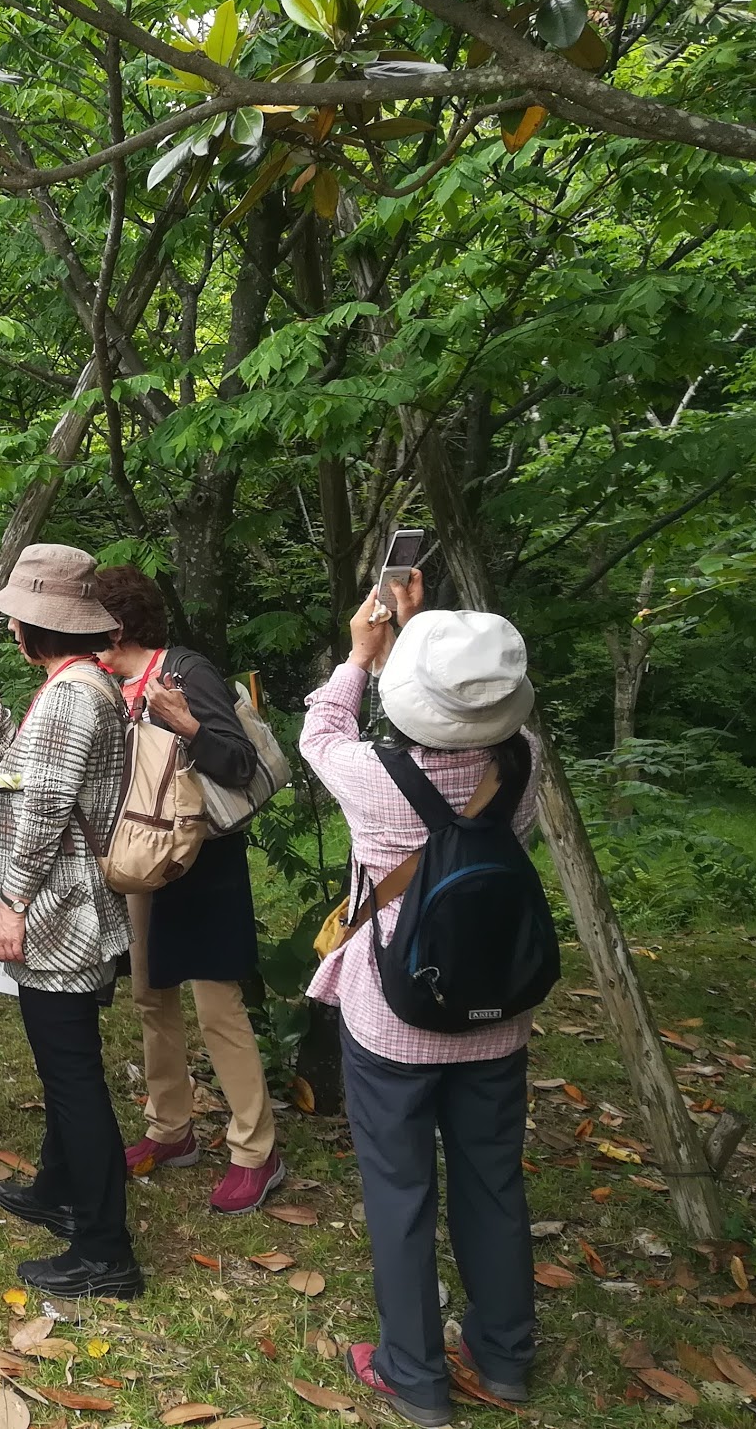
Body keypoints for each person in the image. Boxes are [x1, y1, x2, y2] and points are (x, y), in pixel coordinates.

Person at [301, 571, 542, 1429]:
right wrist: (416, 648)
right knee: (494, 1179)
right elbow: (476, 719)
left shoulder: (372, 777)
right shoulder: (522, 764)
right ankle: (505, 1355)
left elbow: (320, 729)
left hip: (394, 1014)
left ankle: (413, 1372)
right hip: (497, 1011)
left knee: (401, 1191)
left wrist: (363, 655)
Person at [0, 545, 142, 1300]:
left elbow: (48, 809)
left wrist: (12, 903)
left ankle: (105, 1250)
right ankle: (59, 1190)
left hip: (59, 910)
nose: (10, 629)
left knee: (73, 1078)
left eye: (16, 619)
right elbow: (42, 778)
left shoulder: (70, 696)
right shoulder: (82, 684)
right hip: (71, 901)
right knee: (68, 1065)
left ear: (37, 626)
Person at [90, 565, 283, 1214]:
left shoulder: (185, 672)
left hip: (206, 866)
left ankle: (256, 1150)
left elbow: (239, 764)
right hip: (148, 864)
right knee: (150, 997)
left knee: (217, 1007)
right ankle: (170, 1130)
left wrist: (187, 723)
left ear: (117, 626)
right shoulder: (112, 685)